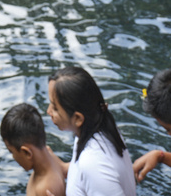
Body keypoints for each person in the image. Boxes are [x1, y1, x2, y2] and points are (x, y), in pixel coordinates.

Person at [47, 65, 136, 196]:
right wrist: (57, 166)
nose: (48, 111)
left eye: (55, 108)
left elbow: (94, 172)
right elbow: (82, 176)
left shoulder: (94, 165)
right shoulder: (97, 129)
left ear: (77, 118)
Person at [0, 102, 66, 196]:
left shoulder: (44, 189)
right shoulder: (49, 155)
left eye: (12, 151)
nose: (13, 157)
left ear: (27, 153)